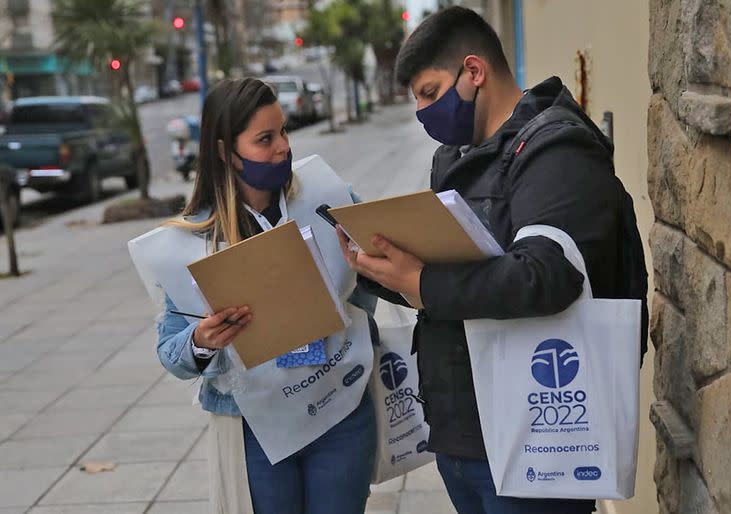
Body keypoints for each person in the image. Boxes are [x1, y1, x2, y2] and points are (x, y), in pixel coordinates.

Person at [337, 6, 646, 514]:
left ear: (474, 72)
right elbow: (445, 278)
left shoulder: (556, 150)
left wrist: (425, 281)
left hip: (538, 434)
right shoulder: (452, 159)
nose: (423, 114)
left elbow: (548, 275)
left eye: (431, 93)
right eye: (416, 101)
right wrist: (378, 267)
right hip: (460, 433)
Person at [155, 77, 376, 514]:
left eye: (284, 131)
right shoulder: (193, 240)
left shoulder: (326, 197)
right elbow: (171, 350)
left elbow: (367, 290)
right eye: (264, 139)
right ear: (224, 152)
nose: (282, 147)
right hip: (255, 428)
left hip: (340, 408)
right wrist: (202, 341)